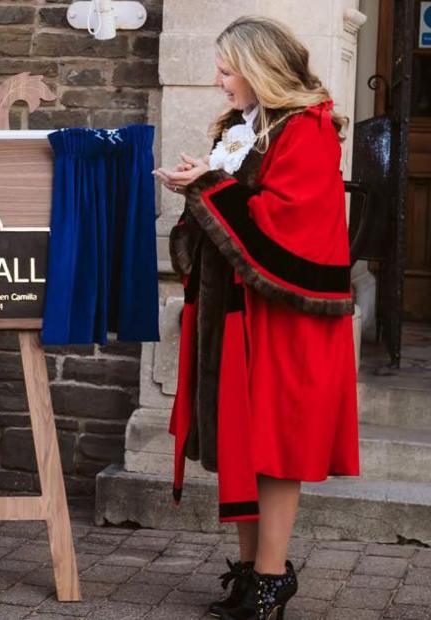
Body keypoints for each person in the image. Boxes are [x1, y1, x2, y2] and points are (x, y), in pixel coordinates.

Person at [154, 16, 359, 620]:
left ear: (260, 68)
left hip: (283, 318)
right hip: (235, 311)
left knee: (274, 445)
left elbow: (288, 222)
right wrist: (200, 187)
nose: (220, 83)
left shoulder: (308, 129)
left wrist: (210, 185)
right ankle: (251, 574)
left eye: (226, 70)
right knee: (240, 440)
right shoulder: (247, 126)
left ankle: (271, 579)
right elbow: (235, 209)